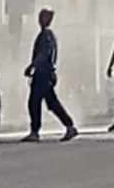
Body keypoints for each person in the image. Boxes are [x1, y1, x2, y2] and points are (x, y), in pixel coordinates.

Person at [23, 8, 79, 143]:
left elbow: (44, 54)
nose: (40, 20)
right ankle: (69, 125)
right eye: (40, 17)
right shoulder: (45, 35)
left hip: (44, 74)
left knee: (34, 101)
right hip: (44, 74)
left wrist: (32, 66)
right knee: (51, 102)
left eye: (43, 17)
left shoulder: (46, 36)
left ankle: (35, 131)